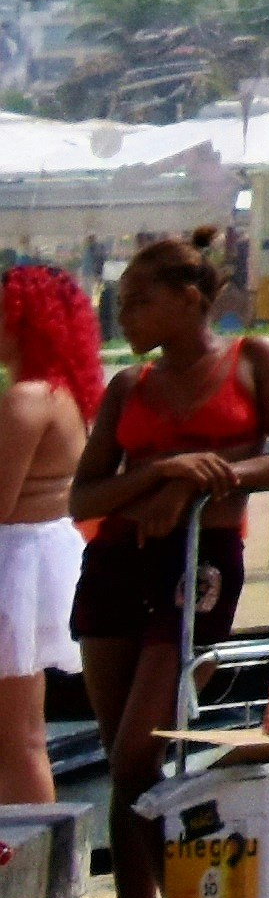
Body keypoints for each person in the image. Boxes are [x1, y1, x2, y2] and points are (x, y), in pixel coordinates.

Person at [68, 240, 269, 898]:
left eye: (139, 301)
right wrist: (165, 470)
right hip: (116, 563)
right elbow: (84, 498)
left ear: (188, 296)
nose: (126, 315)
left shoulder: (253, 359)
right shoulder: (128, 384)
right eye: (120, 304)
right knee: (122, 758)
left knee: (138, 750)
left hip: (200, 561)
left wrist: (212, 482)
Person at [0, 259, 98, 809]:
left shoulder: (26, 399)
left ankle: (29, 861)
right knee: (23, 733)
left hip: (14, 561)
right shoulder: (65, 395)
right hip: (39, 557)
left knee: (16, 737)